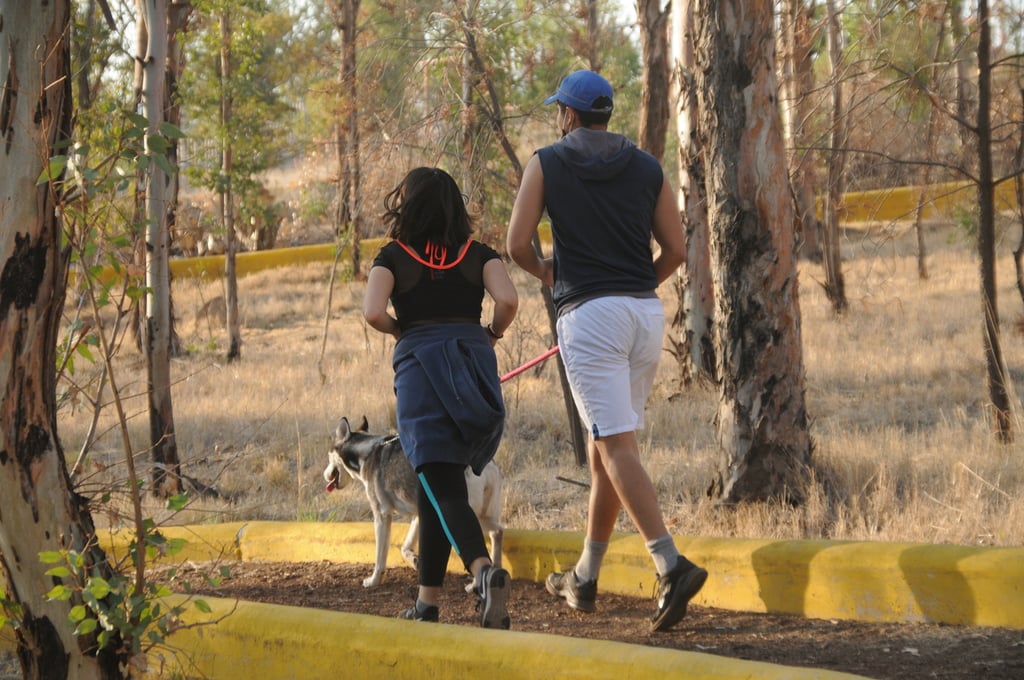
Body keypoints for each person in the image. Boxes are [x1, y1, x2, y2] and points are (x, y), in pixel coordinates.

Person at [506, 70, 707, 632]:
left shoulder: (547, 162)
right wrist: (638, 283)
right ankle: (585, 576)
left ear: (568, 115)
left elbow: (517, 244)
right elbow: (676, 248)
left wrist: (546, 273)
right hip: (643, 312)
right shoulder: (646, 166)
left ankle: (670, 565)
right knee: (607, 450)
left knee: (615, 447)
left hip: (589, 316)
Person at [363, 166, 518, 628]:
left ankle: (483, 572)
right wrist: (490, 334)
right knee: (436, 484)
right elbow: (508, 301)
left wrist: (402, 331)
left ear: (406, 206)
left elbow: (373, 311)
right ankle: (427, 603)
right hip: (472, 369)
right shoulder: (480, 254)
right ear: (454, 206)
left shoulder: (392, 256)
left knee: (438, 479)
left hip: (422, 373)